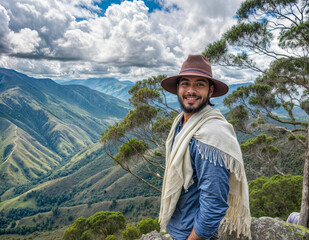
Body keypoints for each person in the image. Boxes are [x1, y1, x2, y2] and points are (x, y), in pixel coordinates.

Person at [159, 54, 251, 240]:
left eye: (199, 84)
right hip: (179, 229)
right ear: (178, 89)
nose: (191, 90)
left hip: (193, 235)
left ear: (210, 91)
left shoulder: (210, 137)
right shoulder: (181, 124)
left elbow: (214, 205)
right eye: (185, 83)